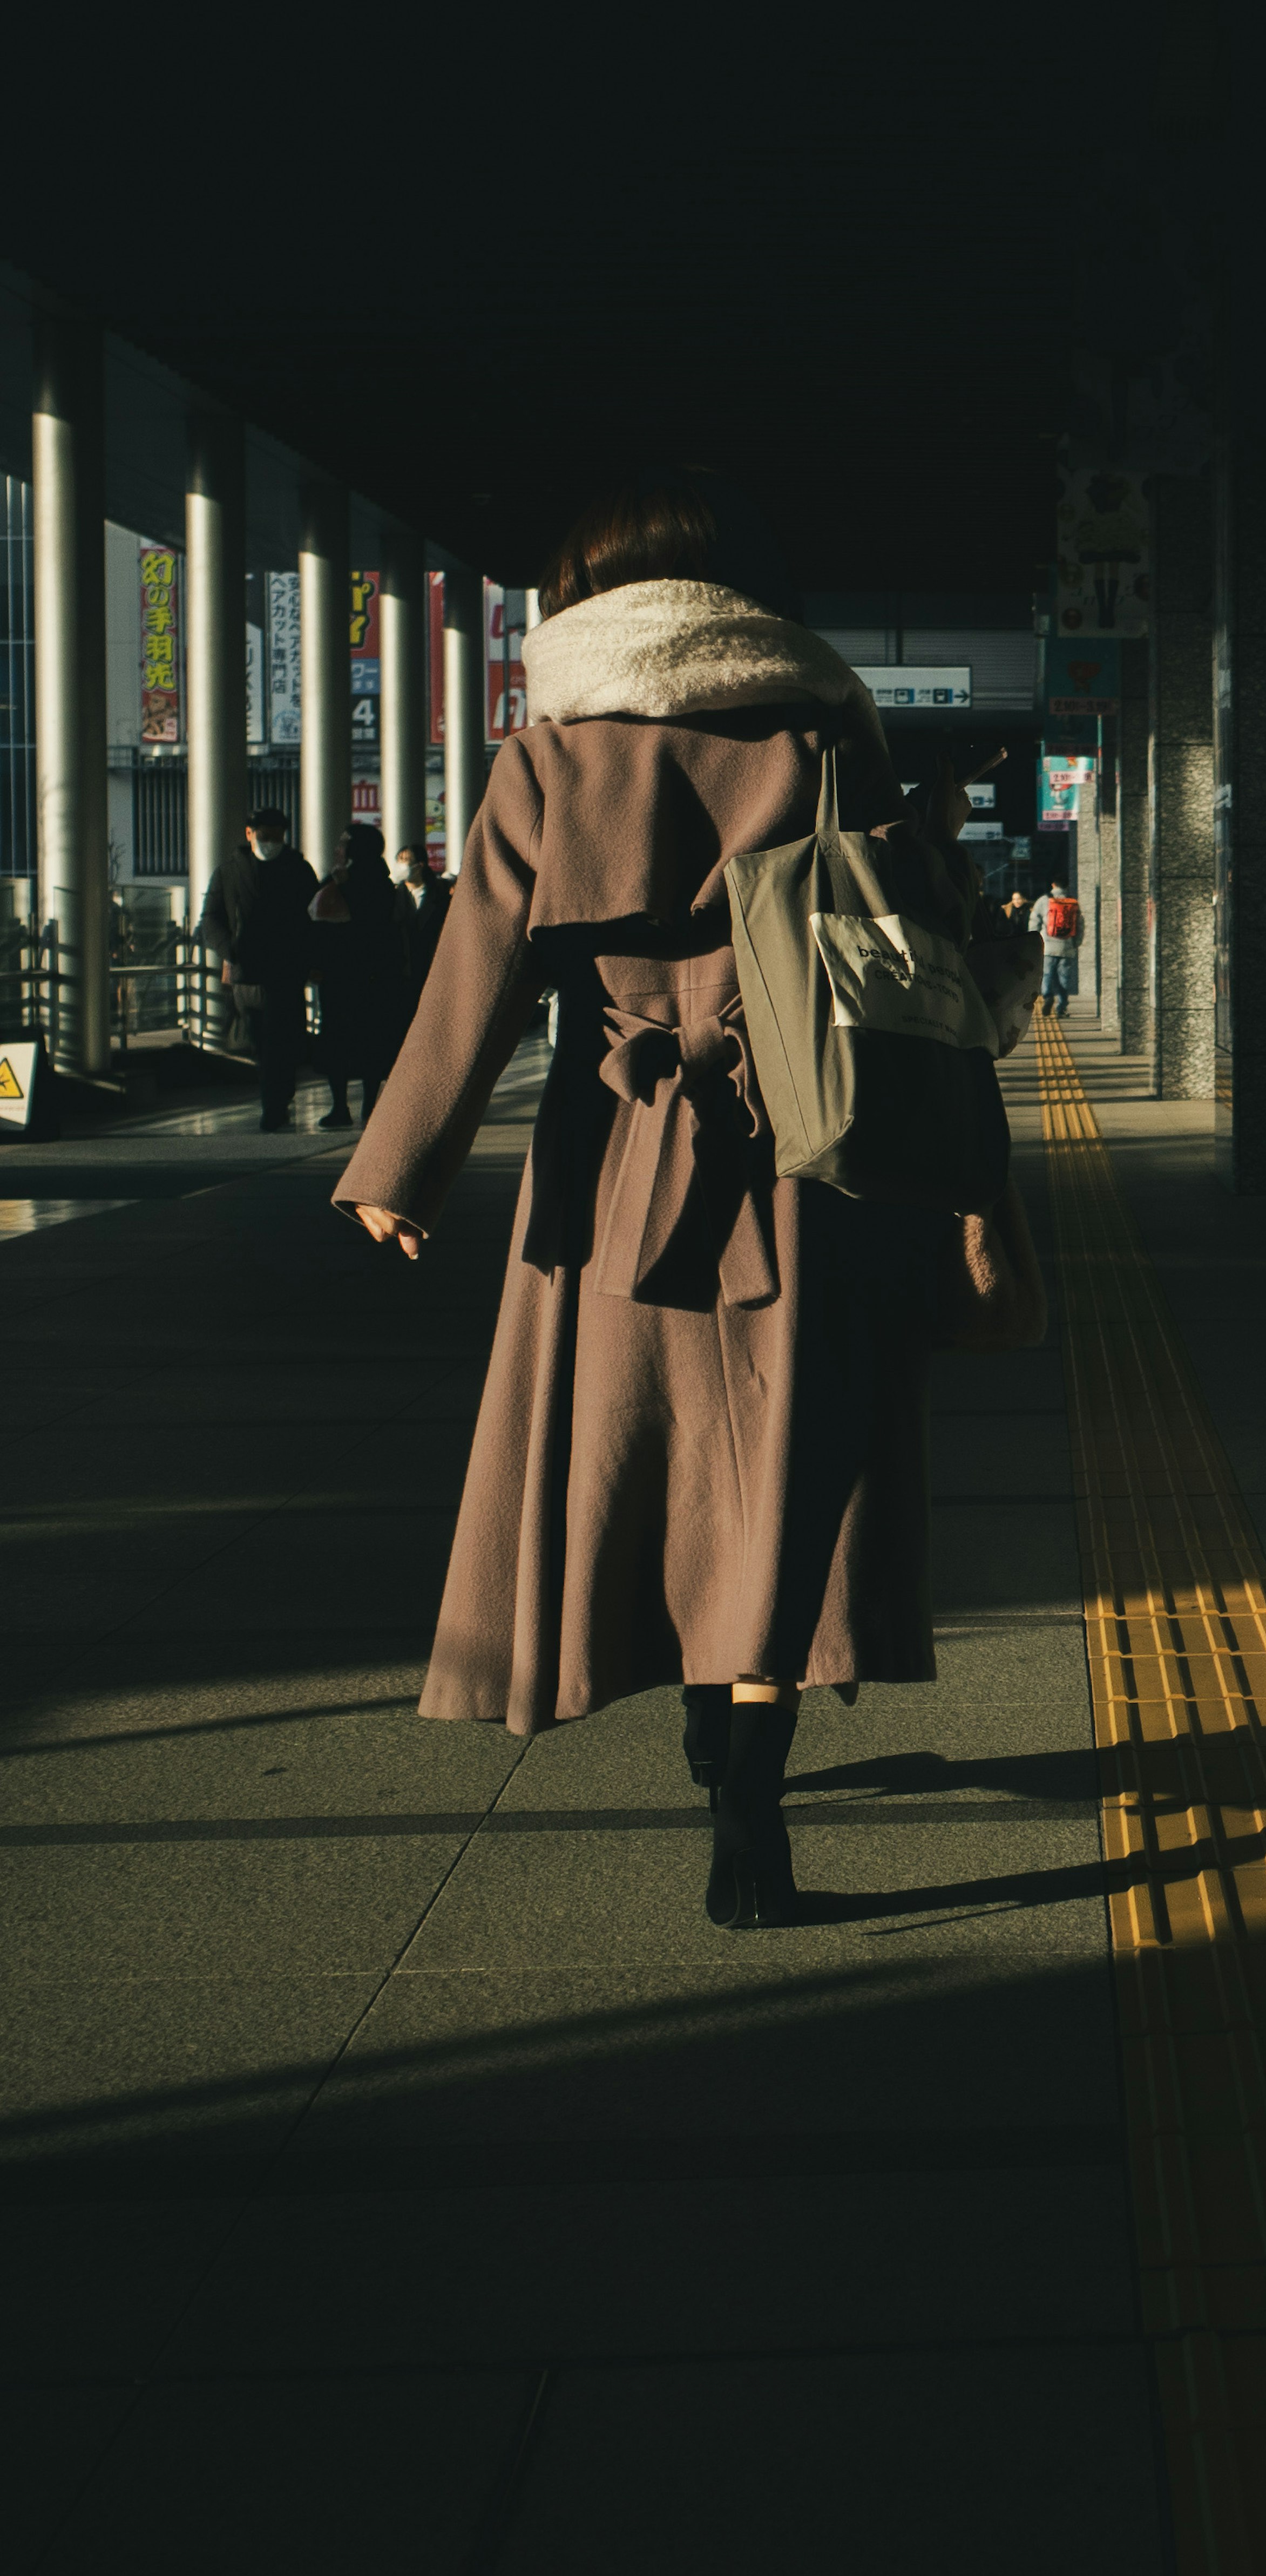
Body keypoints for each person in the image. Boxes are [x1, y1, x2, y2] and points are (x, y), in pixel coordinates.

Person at [334, 462, 989, 1930]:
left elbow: (476, 973)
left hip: (614, 1154)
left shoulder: (550, 749)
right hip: (805, 1150)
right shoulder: (821, 720)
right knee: (784, 1465)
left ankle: (697, 1718)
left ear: (585, 593)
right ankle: (749, 1796)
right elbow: (907, 931)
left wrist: (401, 1166)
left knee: (640, 1449)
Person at [195, 804, 320, 1129]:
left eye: (277, 836)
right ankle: (275, 1100)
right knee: (262, 1040)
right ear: (249, 834)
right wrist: (231, 950)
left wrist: (308, 958)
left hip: (287, 970)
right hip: (247, 971)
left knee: (281, 1038)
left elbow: (313, 919)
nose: (271, 842)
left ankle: (276, 1099)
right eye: (264, 836)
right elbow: (211, 917)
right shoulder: (230, 871)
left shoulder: (299, 869)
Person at [310, 824, 411, 1129]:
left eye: (344, 843)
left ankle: (342, 1107)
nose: (338, 849)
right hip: (374, 977)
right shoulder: (383, 883)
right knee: (371, 1042)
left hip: (348, 976)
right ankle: (367, 1105)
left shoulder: (353, 882)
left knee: (343, 1041)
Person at [391, 842, 452, 1014]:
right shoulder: (393, 895)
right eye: (399, 860)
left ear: (420, 866)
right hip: (402, 971)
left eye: (405, 861)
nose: (399, 865)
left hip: (432, 970)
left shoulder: (440, 897)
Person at [1034, 880, 1082, 1015]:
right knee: (1064, 978)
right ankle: (1062, 1007)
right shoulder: (1072, 902)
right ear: (1067, 886)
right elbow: (1080, 924)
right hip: (1067, 947)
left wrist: (1035, 941)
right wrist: (1076, 943)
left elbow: (1035, 922)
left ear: (1053, 884)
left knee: (1047, 974)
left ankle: (1048, 997)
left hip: (1048, 946)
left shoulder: (1044, 901)